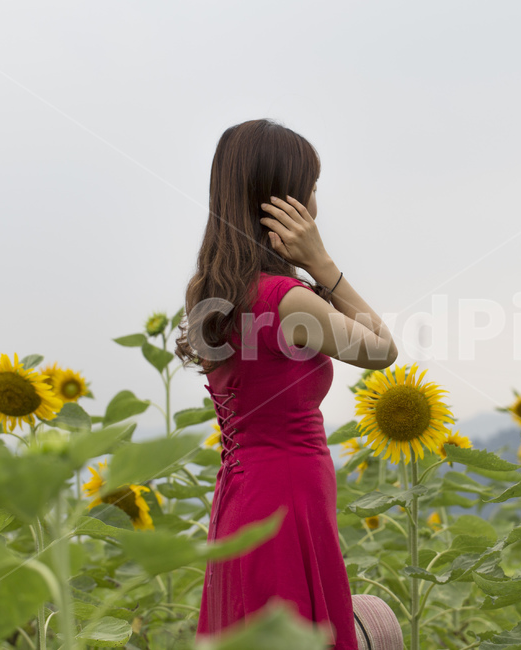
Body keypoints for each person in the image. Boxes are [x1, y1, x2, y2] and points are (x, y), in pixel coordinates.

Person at [175, 118, 398, 649]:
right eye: (312, 190)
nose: (317, 204)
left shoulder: (208, 293)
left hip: (239, 491)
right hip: (289, 492)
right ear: (286, 203)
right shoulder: (286, 300)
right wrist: (323, 263)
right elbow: (382, 350)